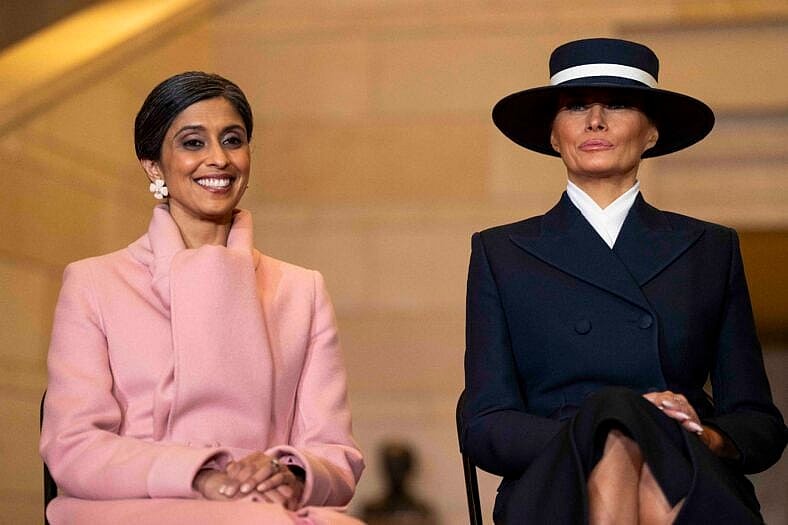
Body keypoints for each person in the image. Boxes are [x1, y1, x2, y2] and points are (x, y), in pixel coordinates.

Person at [461, 38, 787, 524]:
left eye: (616, 104)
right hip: (556, 480)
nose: (595, 121)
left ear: (652, 132)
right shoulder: (501, 252)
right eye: (576, 106)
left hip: (689, 471)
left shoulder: (709, 248)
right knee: (616, 413)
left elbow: (759, 424)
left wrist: (700, 432)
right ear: (554, 135)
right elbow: (486, 426)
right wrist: (603, 427)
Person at [40, 71, 365, 525]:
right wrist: (199, 477)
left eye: (232, 139)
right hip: (137, 502)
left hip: (267, 503)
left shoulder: (301, 289)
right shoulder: (94, 282)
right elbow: (72, 447)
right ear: (153, 166)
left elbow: (336, 453)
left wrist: (288, 472)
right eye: (193, 142)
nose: (218, 159)